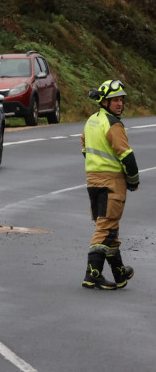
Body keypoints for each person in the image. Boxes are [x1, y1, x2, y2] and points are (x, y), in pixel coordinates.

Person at [80, 79, 139, 290]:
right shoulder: (113, 124)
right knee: (104, 229)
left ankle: (119, 273)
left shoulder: (91, 121)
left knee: (110, 228)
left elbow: (85, 147)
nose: (120, 104)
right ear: (104, 101)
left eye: (121, 100)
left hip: (93, 180)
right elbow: (127, 156)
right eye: (115, 100)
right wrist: (133, 180)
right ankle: (92, 274)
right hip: (112, 182)